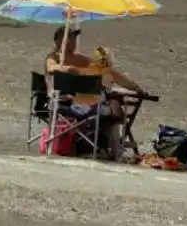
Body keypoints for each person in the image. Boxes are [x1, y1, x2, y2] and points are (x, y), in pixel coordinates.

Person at [45, 26, 147, 159]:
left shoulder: (80, 59)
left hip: (85, 103)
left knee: (111, 106)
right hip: (64, 102)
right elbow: (51, 68)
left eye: (75, 38)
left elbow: (106, 70)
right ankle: (112, 149)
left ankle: (111, 149)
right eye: (70, 38)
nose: (74, 41)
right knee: (111, 108)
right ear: (59, 39)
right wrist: (67, 69)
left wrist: (134, 87)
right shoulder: (53, 57)